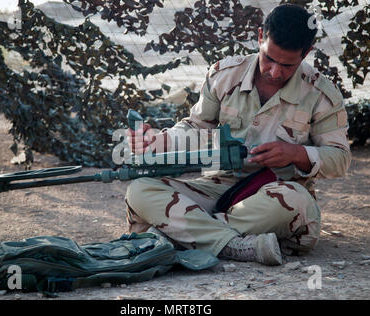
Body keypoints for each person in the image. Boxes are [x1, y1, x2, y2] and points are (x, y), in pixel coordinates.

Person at [124, 4, 351, 266]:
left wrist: (295, 154)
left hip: (272, 194)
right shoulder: (223, 75)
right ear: (259, 38)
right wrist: (162, 140)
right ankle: (234, 245)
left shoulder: (321, 94)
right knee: (140, 189)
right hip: (216, 189)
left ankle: (178, 233)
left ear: (307, 53)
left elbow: (340, 159)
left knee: (297, 202)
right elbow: (197, 128)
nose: (275, 72)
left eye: (287, 65)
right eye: (269, 58)